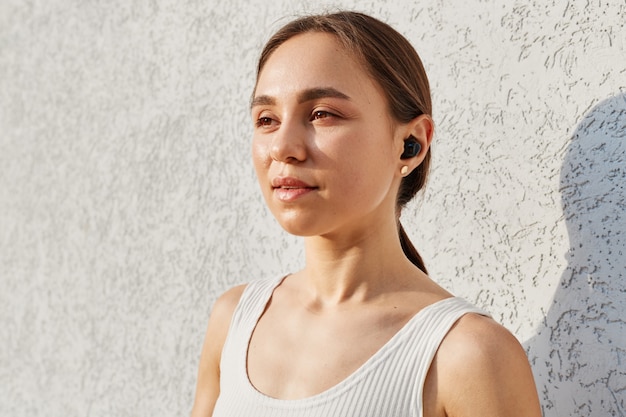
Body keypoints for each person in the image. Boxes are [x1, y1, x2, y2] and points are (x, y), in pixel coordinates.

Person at [191, 11, 541, 417]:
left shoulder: (467, 355)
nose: (283, 147)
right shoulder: (234, 320)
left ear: (410, 143)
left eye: (322, 114)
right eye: (266, 120)